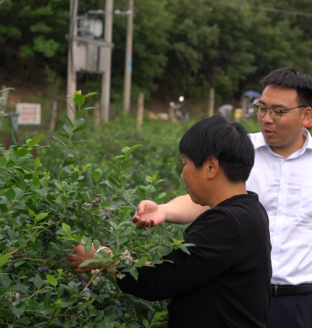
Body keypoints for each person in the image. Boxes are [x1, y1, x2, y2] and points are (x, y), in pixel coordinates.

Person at [132, 67, 312, 328]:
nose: (266, 118)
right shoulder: (239, 150)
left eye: (278, 111)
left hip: (302, 299)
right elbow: (209, 199)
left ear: (306, 114)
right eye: (262, 108)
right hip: (239, 294)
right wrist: (164, 210)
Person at [69, 116, 272, 328]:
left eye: (185, 164)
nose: (182, 174)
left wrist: (105, 257)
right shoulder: (252, 210)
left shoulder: (226, 224)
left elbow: (157, 281)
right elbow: (185, 271)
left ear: (211, 167)